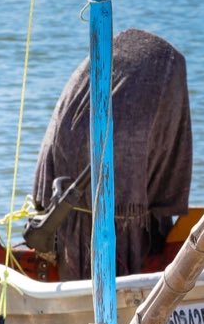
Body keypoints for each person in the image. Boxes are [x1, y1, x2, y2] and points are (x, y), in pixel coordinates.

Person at [31, 28, 193, 281]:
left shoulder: (86, 83)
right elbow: (168, 172)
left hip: (65, 209)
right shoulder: (166, 76)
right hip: (104, 213)